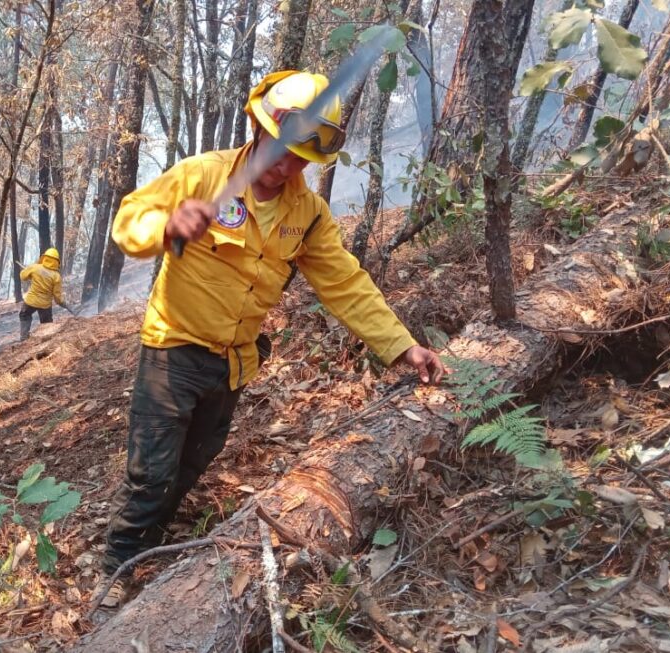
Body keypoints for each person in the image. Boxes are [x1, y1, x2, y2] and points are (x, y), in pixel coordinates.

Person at [97, 70, 446, 609]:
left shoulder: (307, 215)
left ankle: (155, 537)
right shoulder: (203, 175)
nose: (285, 167)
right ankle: (117, 569)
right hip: (172, 349)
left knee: (194, 460)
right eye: (279, 151)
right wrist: (166, 226)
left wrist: (403, 346)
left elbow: (345, 283)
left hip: (234, 362)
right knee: (151, 473)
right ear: (258, 129)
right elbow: (128, 222)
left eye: (299, 158)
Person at [18, 247, 71, 340]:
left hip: (31, 301)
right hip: (45, 304)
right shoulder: (56, 276)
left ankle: (24, 337)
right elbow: (57, 296)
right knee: (47, 324)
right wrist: (62, 302)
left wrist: (28, 273)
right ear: (56, 261)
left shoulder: (35, 267)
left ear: (44, 257)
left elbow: (23, 276)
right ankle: (48, 340)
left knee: (24, 315)